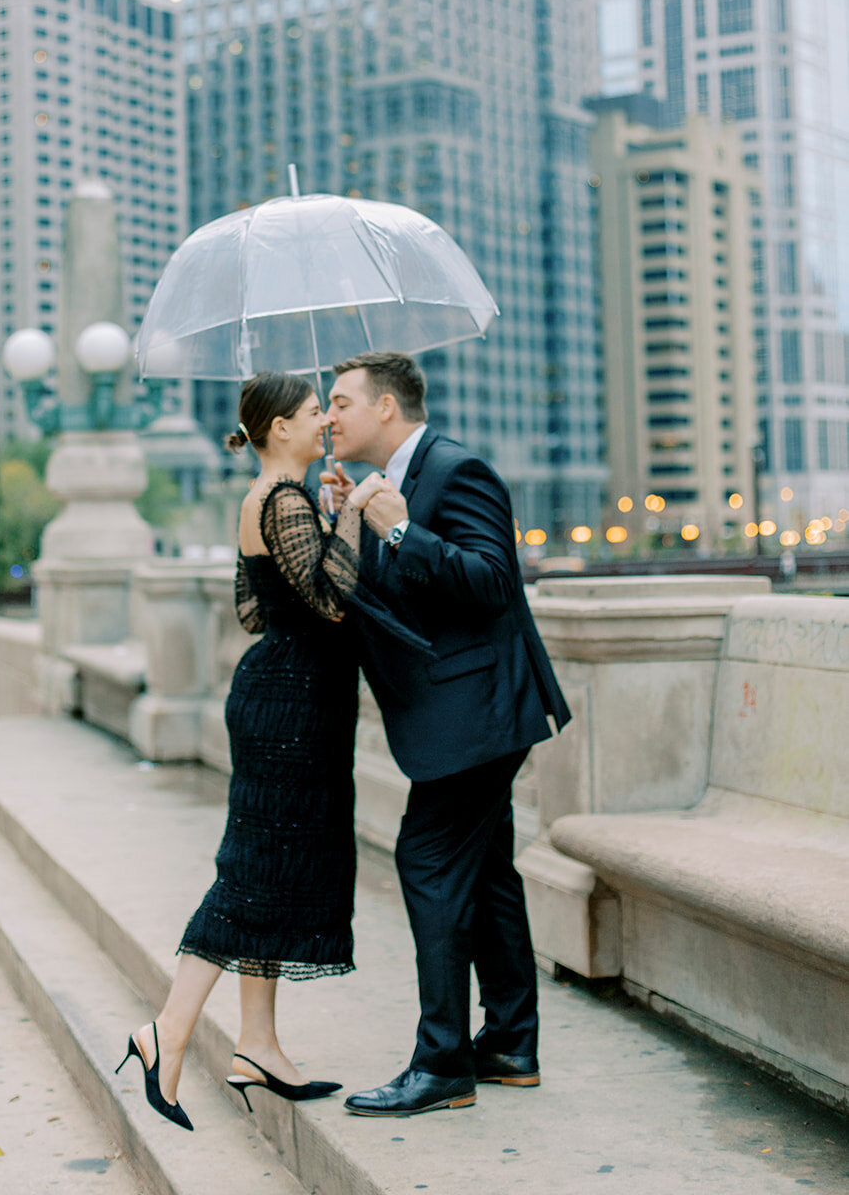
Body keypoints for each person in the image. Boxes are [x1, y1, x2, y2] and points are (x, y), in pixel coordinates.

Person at [116, 371, 388, 1131]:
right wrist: (355, 511)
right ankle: (164, 1032)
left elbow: (251, 608)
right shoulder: (283, 498)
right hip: (293, 709)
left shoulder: (261, 501)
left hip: (281, 697)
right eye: (311, 413)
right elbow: (331, 599)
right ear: (276, 429)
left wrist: (327, 516)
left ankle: (259, 1044)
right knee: (251, 876)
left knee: (269, 872)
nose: (323, 424)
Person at [322, 351, 572, 1119]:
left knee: (426, 860)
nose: (327, 417)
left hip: (481, 712)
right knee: (487, 870)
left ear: (387, 407)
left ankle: (441, 1064)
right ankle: (507, 1044)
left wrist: (399, 530)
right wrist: (350, 522)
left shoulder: (455, 470)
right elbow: (386, 601)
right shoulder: (374, 487)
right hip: (450, 712)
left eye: (339, 402)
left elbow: (495, 581)